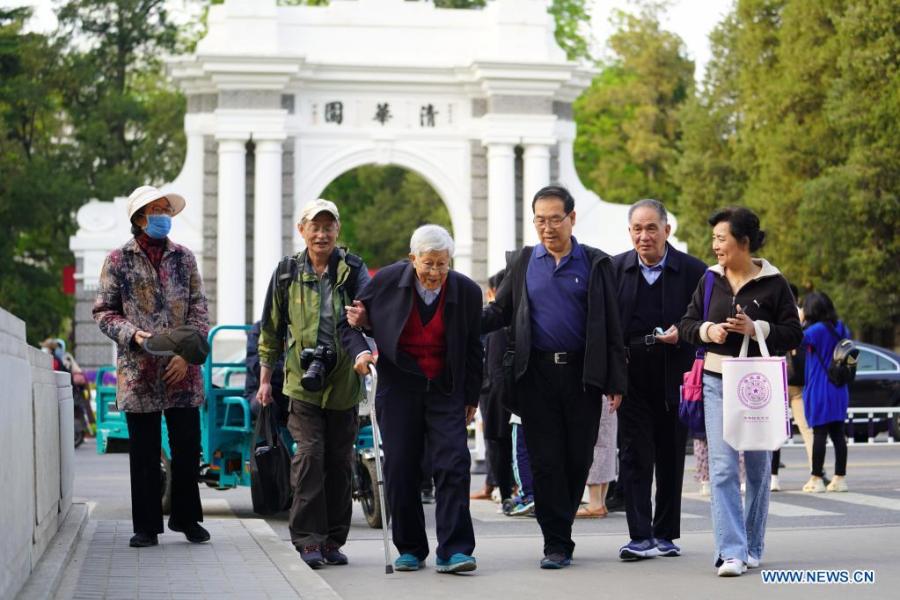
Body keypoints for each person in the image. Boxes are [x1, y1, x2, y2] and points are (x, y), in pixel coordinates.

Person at [482, 184, 627, 569]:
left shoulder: (595, 263)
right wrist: (461, 320)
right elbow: (500, 311)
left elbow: (613, 325)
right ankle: (556, 542)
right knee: (546, 461)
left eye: (555, 219)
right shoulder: (526, 261)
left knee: (577, 458)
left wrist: (615, 381)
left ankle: (561, 529)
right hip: (537, 375)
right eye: (540, 220)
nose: (548, 228)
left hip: (583, 376)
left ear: (572, 218)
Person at [343, 225, 483, 574]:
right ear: (412, 259)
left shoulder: (465, 291)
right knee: (400, 466)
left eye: (442, 264)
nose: (435, 272)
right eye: (428, 264)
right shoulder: (388, 281)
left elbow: (472, 348)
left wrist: (472, 396)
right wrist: (361, 352)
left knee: (453, 463)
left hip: (445, 386)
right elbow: (351, 323)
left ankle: (454, 550)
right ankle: (410, 547)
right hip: (399, 385)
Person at [678, 206, 802, 577]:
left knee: (761, 469)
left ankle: (752, 544)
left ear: (743, 242)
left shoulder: (774, 282)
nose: (715, 245)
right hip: (717, 382)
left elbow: (794, 333)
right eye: (714, 238)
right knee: (722, 468)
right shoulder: (710, 279)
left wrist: (756, 328)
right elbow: (687, 323)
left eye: (721, 238)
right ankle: (730, 551)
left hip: (758, 386)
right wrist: (707, 332)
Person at [93, 185, 210, 548]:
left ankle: (187, 518)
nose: (163, 216)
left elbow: (199, 310)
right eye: (156, 209)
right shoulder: (117, 260)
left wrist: (184, 353)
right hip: (138, 370)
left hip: (183, 371)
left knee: (188, 449)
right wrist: (135, 336)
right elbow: (103, 313)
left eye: (166, 209)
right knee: (144, 453)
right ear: (140, 218)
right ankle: (146, 526)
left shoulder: (185, 258)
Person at [257, 198, 370, 569]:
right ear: (301, 230)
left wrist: (363, 317)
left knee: (339, 462)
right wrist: (264, 381)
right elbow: (270, 330)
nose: (321, 233)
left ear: (338, 230)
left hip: (343, 381)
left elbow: (374, 315)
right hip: (301, 383)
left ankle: (334, 540)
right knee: (309, 456)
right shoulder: (287, 271)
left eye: (328, 226)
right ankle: (308, 540)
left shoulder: (353, 269)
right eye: (314, 226)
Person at [611, 199, 707, 559]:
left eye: (652, 228)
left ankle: (665, 534)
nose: (644, 236)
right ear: (630, 232)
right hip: (631, 375)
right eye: (637, 228)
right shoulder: (615, 269)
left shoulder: (693, 271)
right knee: (634, 455)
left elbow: (704, 323)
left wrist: (682, 334)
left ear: (667, 230)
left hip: (675, 375)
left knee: (669, 455)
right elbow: (604, 324)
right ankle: (640, 536)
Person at [800, 291, 851, 493]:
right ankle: (840, 478)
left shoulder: (815, 330)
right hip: (839, 387)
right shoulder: (842, 327)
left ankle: (816, 478)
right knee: (839, 434)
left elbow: (796, 341)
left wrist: (800, 320)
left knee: (819, 434)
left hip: (820, 387)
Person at [473, 270, 514, 505]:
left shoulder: (498, 322)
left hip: (495, 391)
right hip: (490, 388)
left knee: (498, 440)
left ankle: (503, 488)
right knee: (494, 440)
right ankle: (495, 484)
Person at [576, 400, 617, 519]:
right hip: (610, 396)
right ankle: (600, 502)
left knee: (596, 444)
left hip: (599, 396)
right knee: (606, 445)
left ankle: (595, 503)